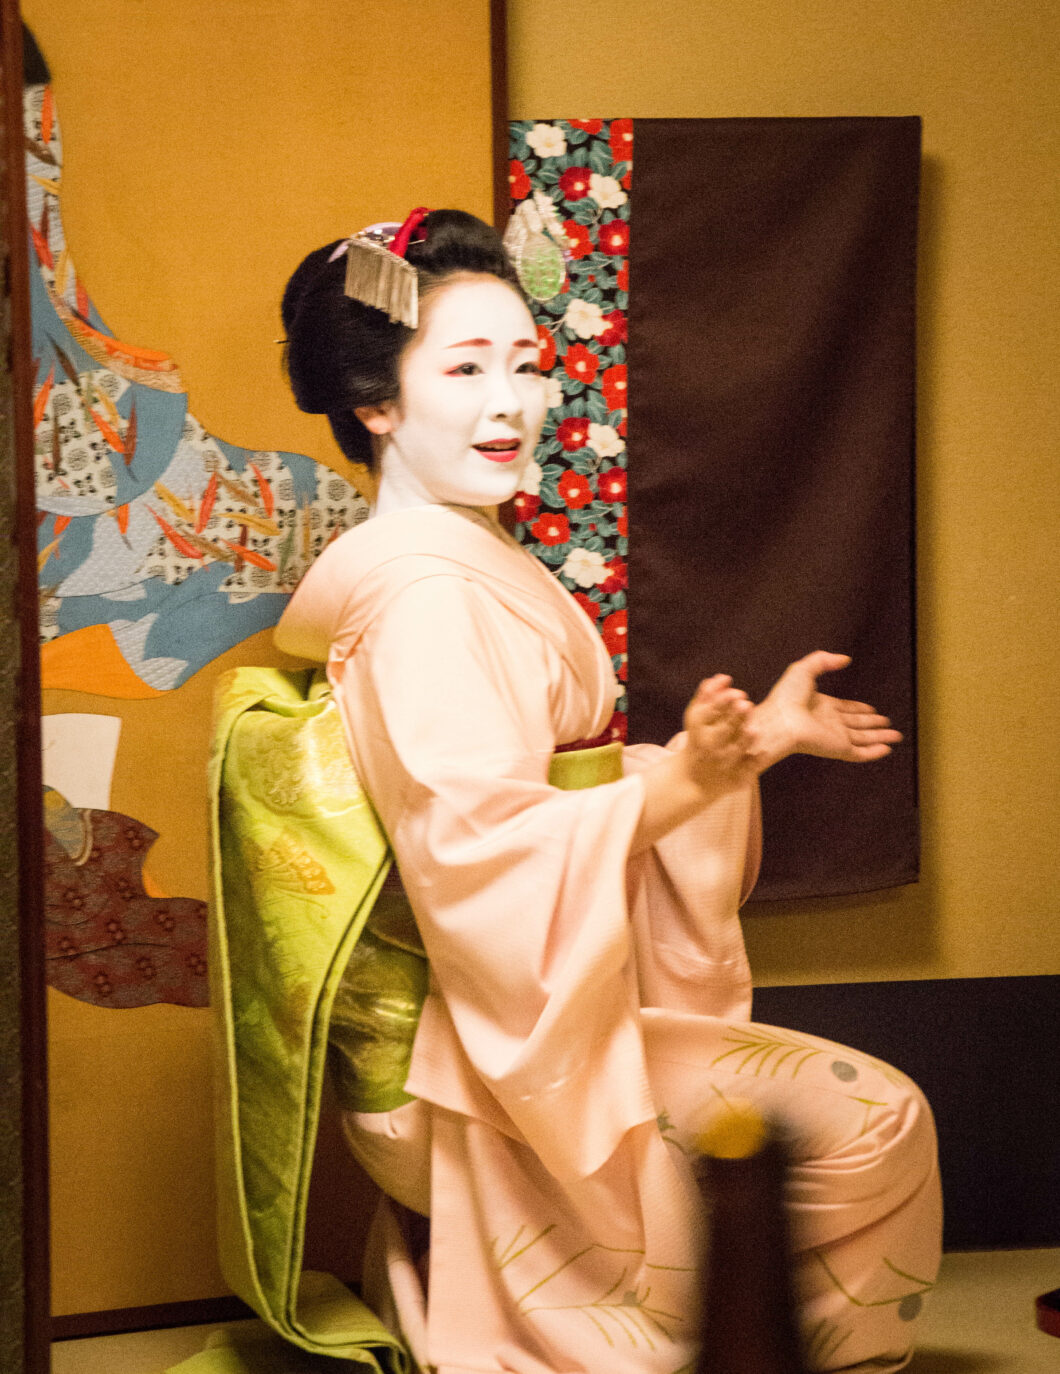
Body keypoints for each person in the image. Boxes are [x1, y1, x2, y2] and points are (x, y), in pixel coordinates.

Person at [274, 209, 941, 1374]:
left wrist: (739, 757)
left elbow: (534, 809)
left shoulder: (460, 564)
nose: (513, 402)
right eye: (466, 368)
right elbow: (479, 854)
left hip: (510, 1016)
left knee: (833, 1131)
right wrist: (680, 784)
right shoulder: (427, 599)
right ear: (375, 402)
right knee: (878, 1124)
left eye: (528, 365)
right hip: (472, 1057)